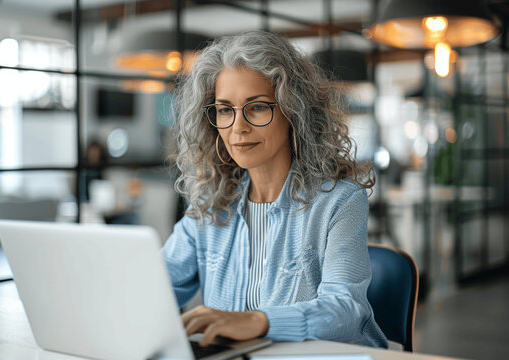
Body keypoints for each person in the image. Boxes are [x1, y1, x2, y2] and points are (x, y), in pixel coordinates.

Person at [162, 30, 388, 349]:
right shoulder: (211, 206)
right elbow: (154, 289)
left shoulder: (339, 202)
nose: (238, 126)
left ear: (293, 111)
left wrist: (259, 321)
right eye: (225, 110)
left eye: (256, 107)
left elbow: (346, 311)